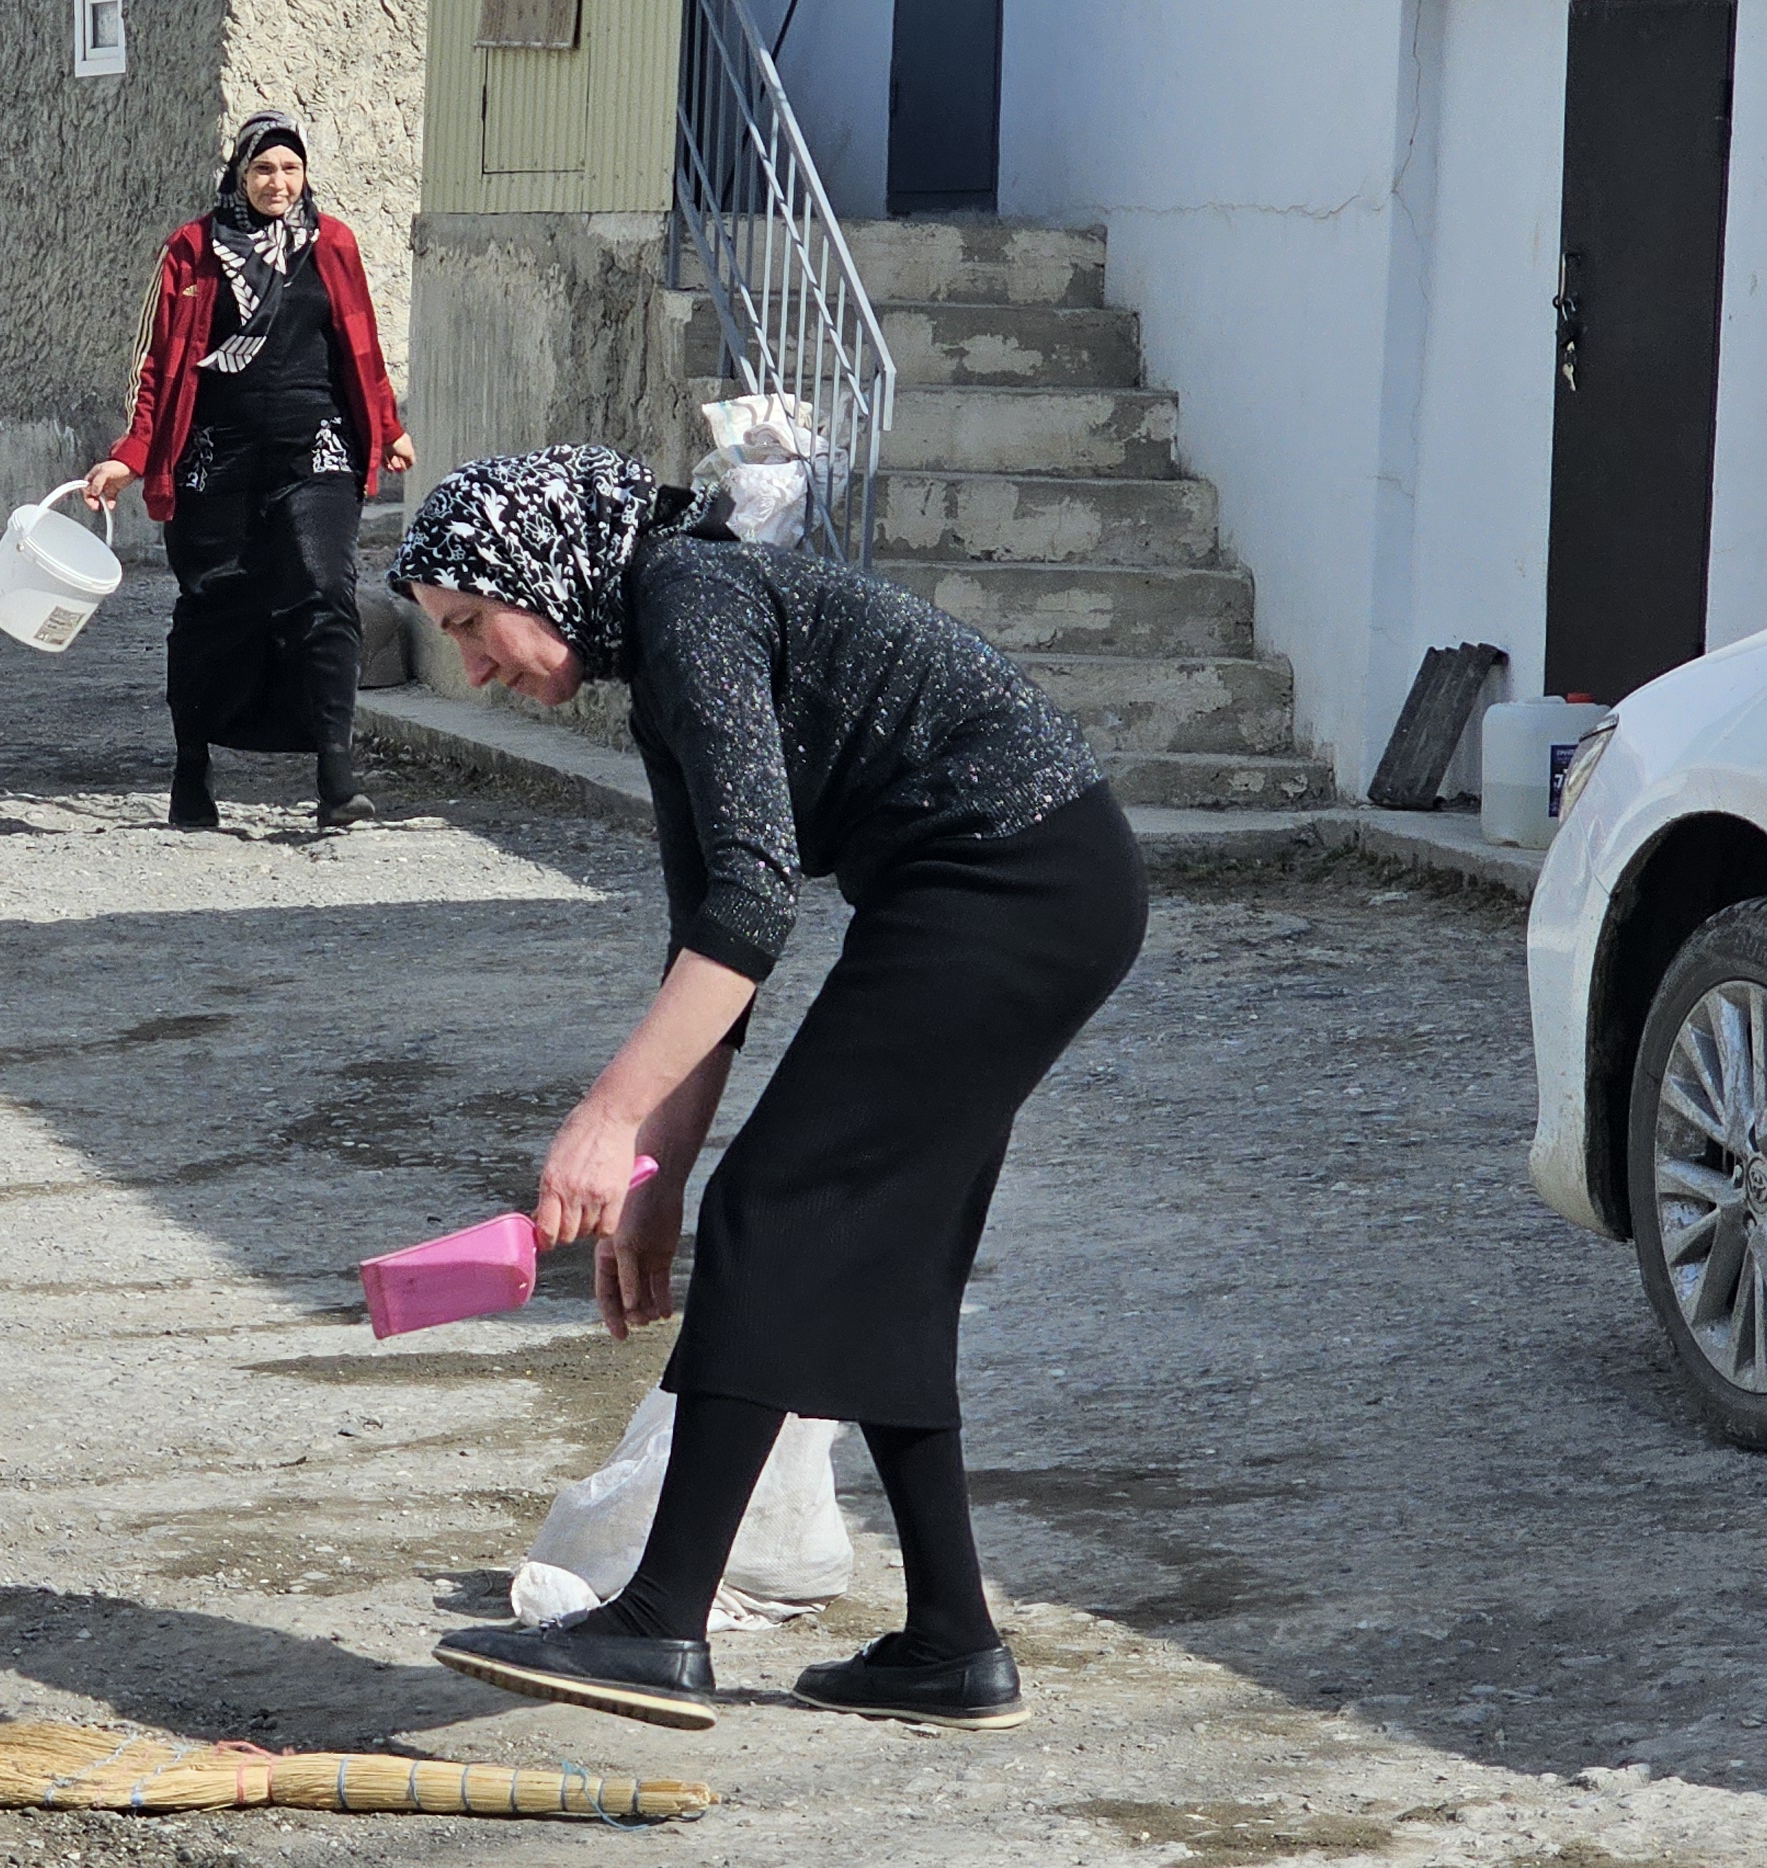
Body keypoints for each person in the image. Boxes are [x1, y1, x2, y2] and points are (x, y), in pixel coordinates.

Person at [392, 446, 1143, 1734]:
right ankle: (951, 1643)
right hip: (1029, 884)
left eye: (472, 623)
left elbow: (752, 905)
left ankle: (659, 1617)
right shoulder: (672, 634)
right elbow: (711, 935)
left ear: (540, 572)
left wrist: (606, 1120)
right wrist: (657, 1178)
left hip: (1007, 883)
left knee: (778, 1215)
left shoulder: (690, 602)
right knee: (882, 1257)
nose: (473, 665)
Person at [81, 111, 415, 831]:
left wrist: (387, 429)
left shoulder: (333, 244)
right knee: (215, 607)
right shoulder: (192, 250)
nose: (278, 182)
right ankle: (192, 766)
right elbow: (156, 364)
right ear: (239, 173)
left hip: (315, 446)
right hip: (216, 453)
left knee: (325, 589)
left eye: (290, 169)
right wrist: (129, 454)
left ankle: (335, 773)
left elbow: (361, 345)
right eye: (264, 169)